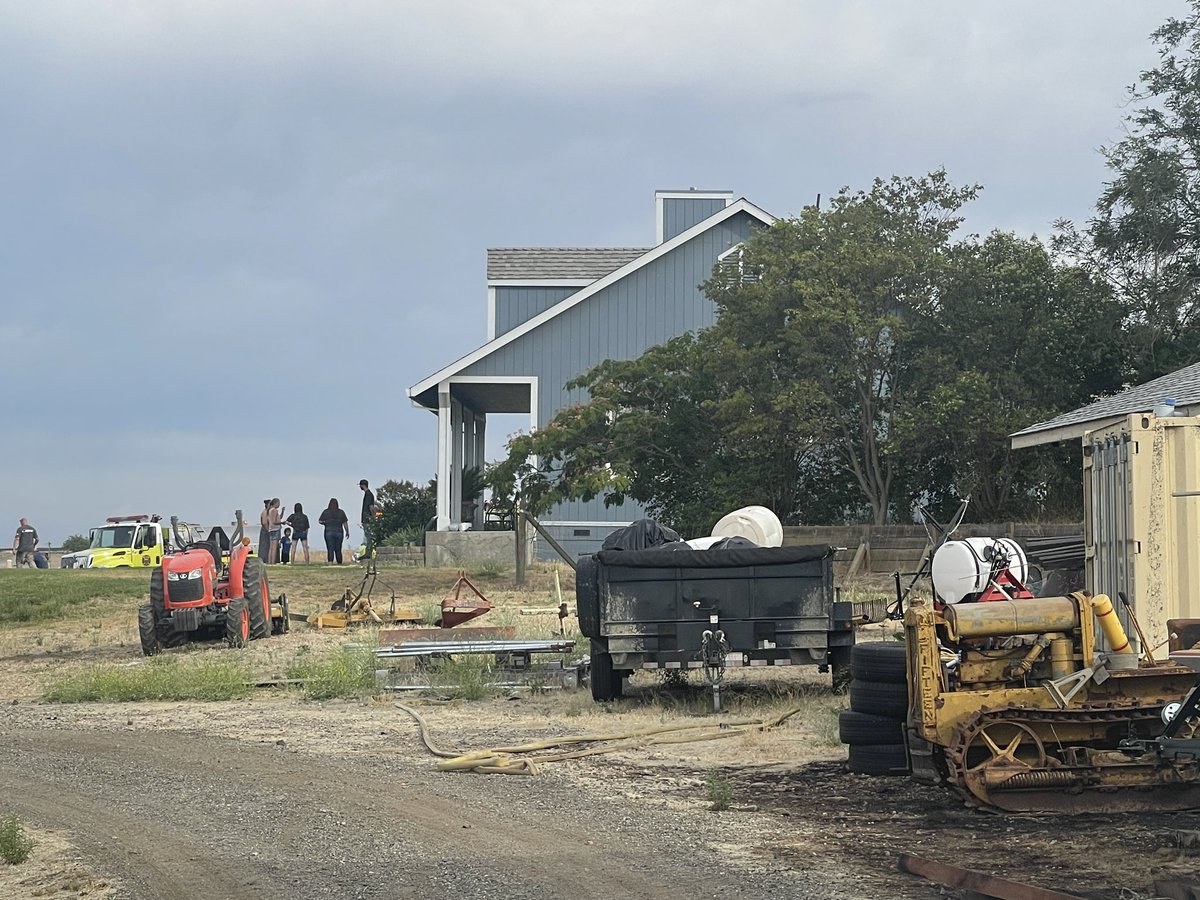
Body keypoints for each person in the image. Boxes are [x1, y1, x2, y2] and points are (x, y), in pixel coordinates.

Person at [318, 498, 350, 564]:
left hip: (328, 532)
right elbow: (345, 523)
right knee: (338, 549)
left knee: (330, 548)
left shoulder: (326, 512)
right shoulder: (341, 512)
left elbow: (320, 521)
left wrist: (325, 523)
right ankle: (339, 562)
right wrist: (347, 531)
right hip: (339, 532)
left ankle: (330, 562)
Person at [359, 478, 379, 560]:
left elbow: (371, 507)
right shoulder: (368, 494)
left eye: (360, 485)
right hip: (366, 519)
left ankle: (368, 553)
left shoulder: (369, 495)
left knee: (369, 537)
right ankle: (367, 553)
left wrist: (373, 517)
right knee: (368, 536)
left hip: (367, 519)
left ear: (363, 485)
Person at [267, 498, 282, 564]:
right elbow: (274, 522)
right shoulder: (274, 510)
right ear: (275, 503)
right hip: (275, 529)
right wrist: (282, 523)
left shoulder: (270, 510)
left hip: (271, 529)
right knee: (274, 547)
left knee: (271, 547)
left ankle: (270, 561)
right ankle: (273, 562)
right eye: (278, 503)